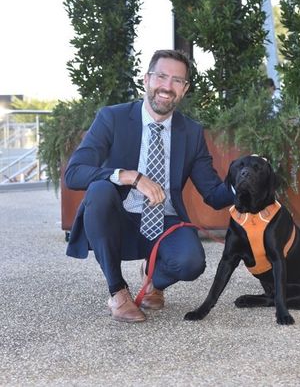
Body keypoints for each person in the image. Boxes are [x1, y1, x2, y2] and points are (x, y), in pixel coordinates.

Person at [64, 49, 235, 323]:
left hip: (164, 220)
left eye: (177, 80)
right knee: (99, 190)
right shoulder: (112, 118)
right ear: (146, 79)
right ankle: (118, 292)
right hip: (119, 217)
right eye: (161, 76)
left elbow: (214, 194)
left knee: (192, 263)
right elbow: (74, 173)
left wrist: (247, 180)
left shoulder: (191, 132)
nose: (167, 87)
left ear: (185, 88)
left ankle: (154, 278)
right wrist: (132, 177)